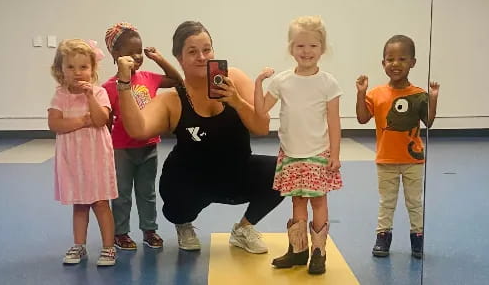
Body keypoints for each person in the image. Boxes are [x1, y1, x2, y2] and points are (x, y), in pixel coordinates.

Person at [115, 20, 284, 254]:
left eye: (207, 49)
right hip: (192, 181)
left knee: (284, 171)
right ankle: (183, 224)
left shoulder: (233, 78)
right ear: (180, 58)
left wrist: (236, 101)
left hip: (235, 173)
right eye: (192, 52)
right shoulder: (172, 99)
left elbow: (261, 128)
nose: (202, 57)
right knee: (176, 201)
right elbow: (138, 129)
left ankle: (243, 229)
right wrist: (123, 85)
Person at [255, 15, 343, 274]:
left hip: (318, 152)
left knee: (318, 202)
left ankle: (318, 253)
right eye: (300, 46)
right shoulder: (282, 81)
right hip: (291, 153)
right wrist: (258, 82)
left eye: (313, 46)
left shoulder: (329, 83)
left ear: (322, 49)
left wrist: (335, 154)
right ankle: (298, 250)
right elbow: (261, 111)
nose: (306, 51)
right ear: (291, 48)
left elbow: (335, 123)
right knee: (297, 201)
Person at [355, 34, 440, 259]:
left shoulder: (418, 95)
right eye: (390, 59)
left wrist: (432, 99)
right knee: (387, 202)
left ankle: (417, 238)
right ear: (383, 63)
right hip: (386, 160)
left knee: (414, 201)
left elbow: (428, 122)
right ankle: (383, 237)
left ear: (413, 62)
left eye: (402, 59)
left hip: (413, 160)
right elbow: (362, 118)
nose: (396, 64)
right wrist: (361, 94)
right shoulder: (377, 94)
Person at [102, 22, 183, 250]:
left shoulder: (149, 77)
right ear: (116, 55)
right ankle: (121, 233)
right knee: (122, 194)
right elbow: (106, 122)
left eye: (140, 51)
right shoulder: (109, 87)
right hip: (121, 149)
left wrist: (159, 58)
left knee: (147, 192)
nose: (137, 57)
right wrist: (105, 151)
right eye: (130, 53)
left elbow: (178, 81)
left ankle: (149, 230)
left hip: (148, 146)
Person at [48, 39, 118, 266]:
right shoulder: (60, 96)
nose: (77, 73)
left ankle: (108, 247)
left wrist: (89, 99)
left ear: (92, 69)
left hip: (97, 158)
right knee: (79, 204)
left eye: (83, 67)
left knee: (100, 203)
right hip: (73, 160)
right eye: (71, 67)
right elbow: (55, 124)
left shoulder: (98, 93)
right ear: (61, 70)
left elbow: (101, 120)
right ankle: (79, 245)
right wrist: (81, 120)